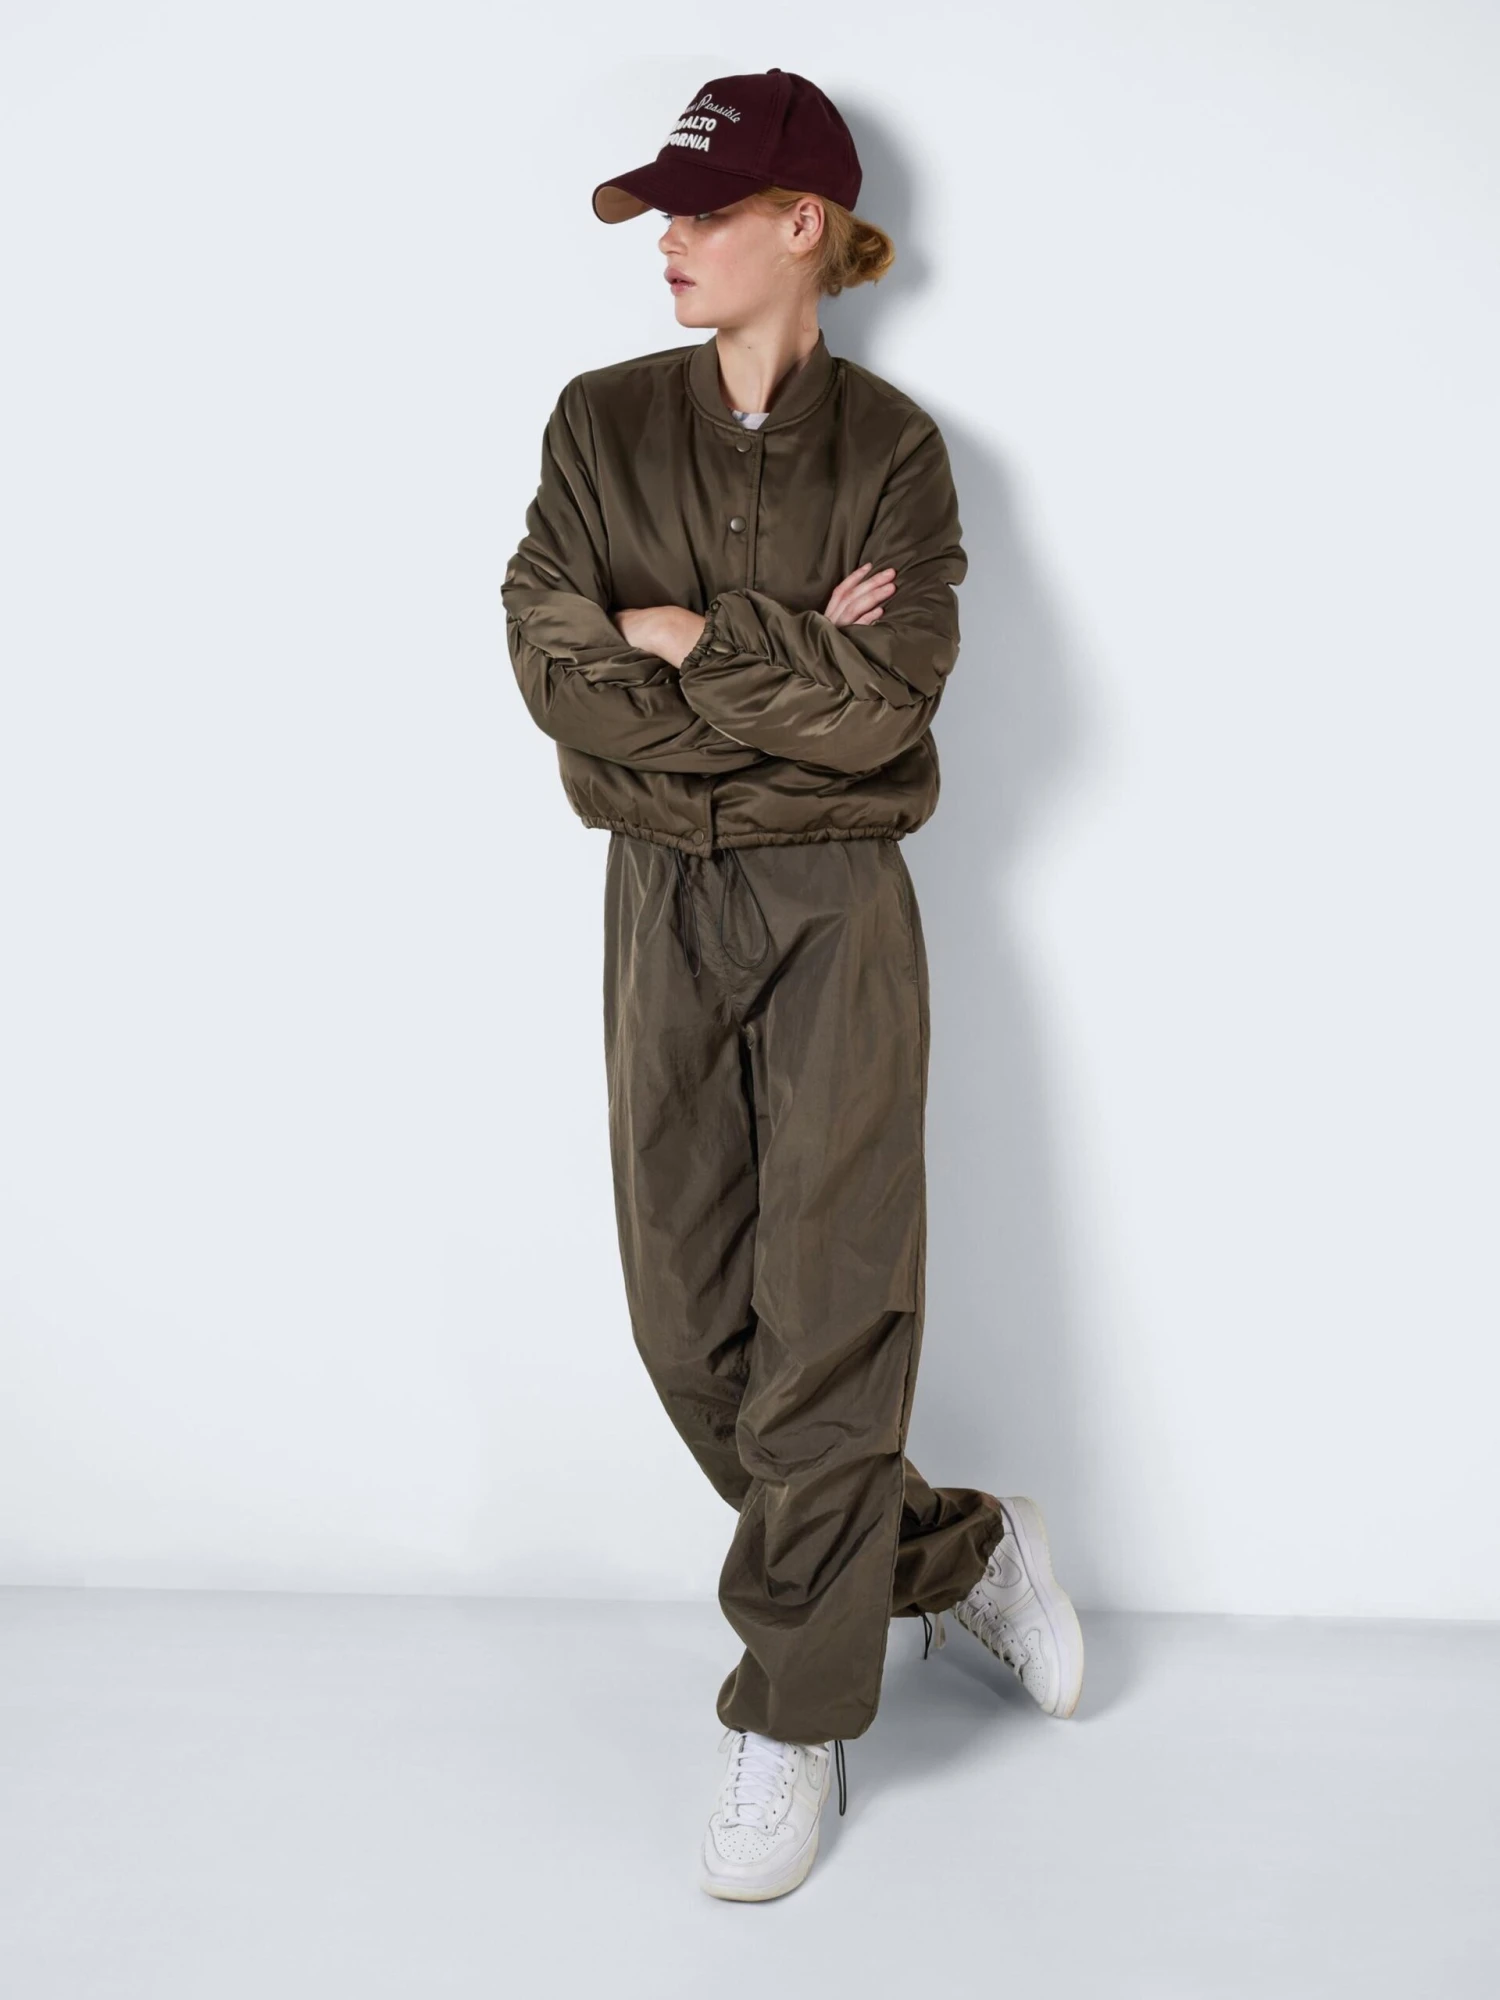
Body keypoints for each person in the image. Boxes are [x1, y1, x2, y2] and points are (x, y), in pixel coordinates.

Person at [502, 67, 1084, 1903]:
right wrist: (769, 669)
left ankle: (796, 1712)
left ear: (804, 225)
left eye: (703, 209)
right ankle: (957, 1549)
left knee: (830, 1313)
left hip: (840, 906)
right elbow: (556, 670)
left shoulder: (897, 455)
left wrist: (685, 635)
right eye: (665, 212)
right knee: (692, 1332)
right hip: (657, 901)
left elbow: (889, 712)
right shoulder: (599, 423)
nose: (668, 239)